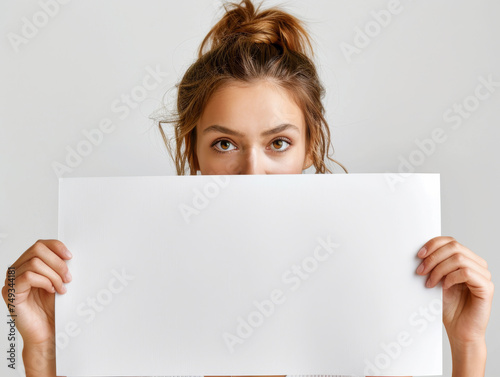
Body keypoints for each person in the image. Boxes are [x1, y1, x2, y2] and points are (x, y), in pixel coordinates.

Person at [2, 0, 494, 377]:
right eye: (224, 144)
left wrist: (467, 343)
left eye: (278, 142)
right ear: (191, 148)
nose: (252, 172)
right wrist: (41, 346)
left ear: (311, 146)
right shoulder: (125, 295)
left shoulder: (376, 293)